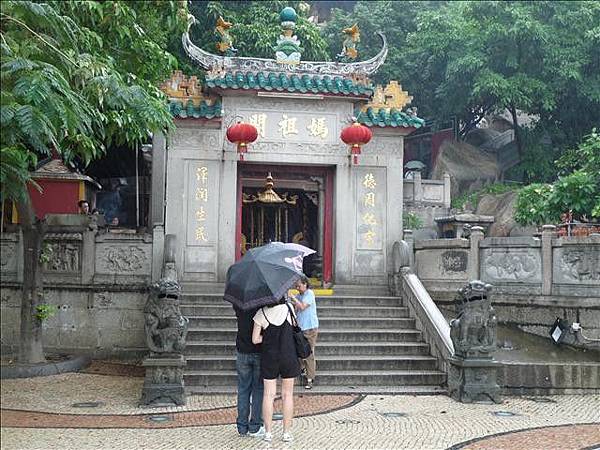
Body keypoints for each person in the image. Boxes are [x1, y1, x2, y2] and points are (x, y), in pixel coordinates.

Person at [252, 297, 301, 443]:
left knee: (268, 395)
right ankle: (286, 433)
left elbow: (255, 339)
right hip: (288, 356)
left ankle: (268, 433)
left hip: (269, 358)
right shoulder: (289, 309)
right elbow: (295, 327)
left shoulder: (261, 313)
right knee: (287, 395)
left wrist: (268, 337)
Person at [233, 306, 265, 438]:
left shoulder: (239, 304)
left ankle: (242, 427)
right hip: (259, 351)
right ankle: (255, 426)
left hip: (242, 349)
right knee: (258, 389)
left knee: (243, 389)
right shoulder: (262, 305)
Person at [292, 276, 319, 389]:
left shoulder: (309, 294)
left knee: (308, 353)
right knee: (299, 350)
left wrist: (293, 298)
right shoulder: (299, 295)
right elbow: (296, 309)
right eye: (296, 286)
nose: (297, 288)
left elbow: (302, 306)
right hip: (301, 328)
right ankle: (302, 368)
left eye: (299, 286)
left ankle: (310, 378)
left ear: (305, 284)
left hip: (310, 327)